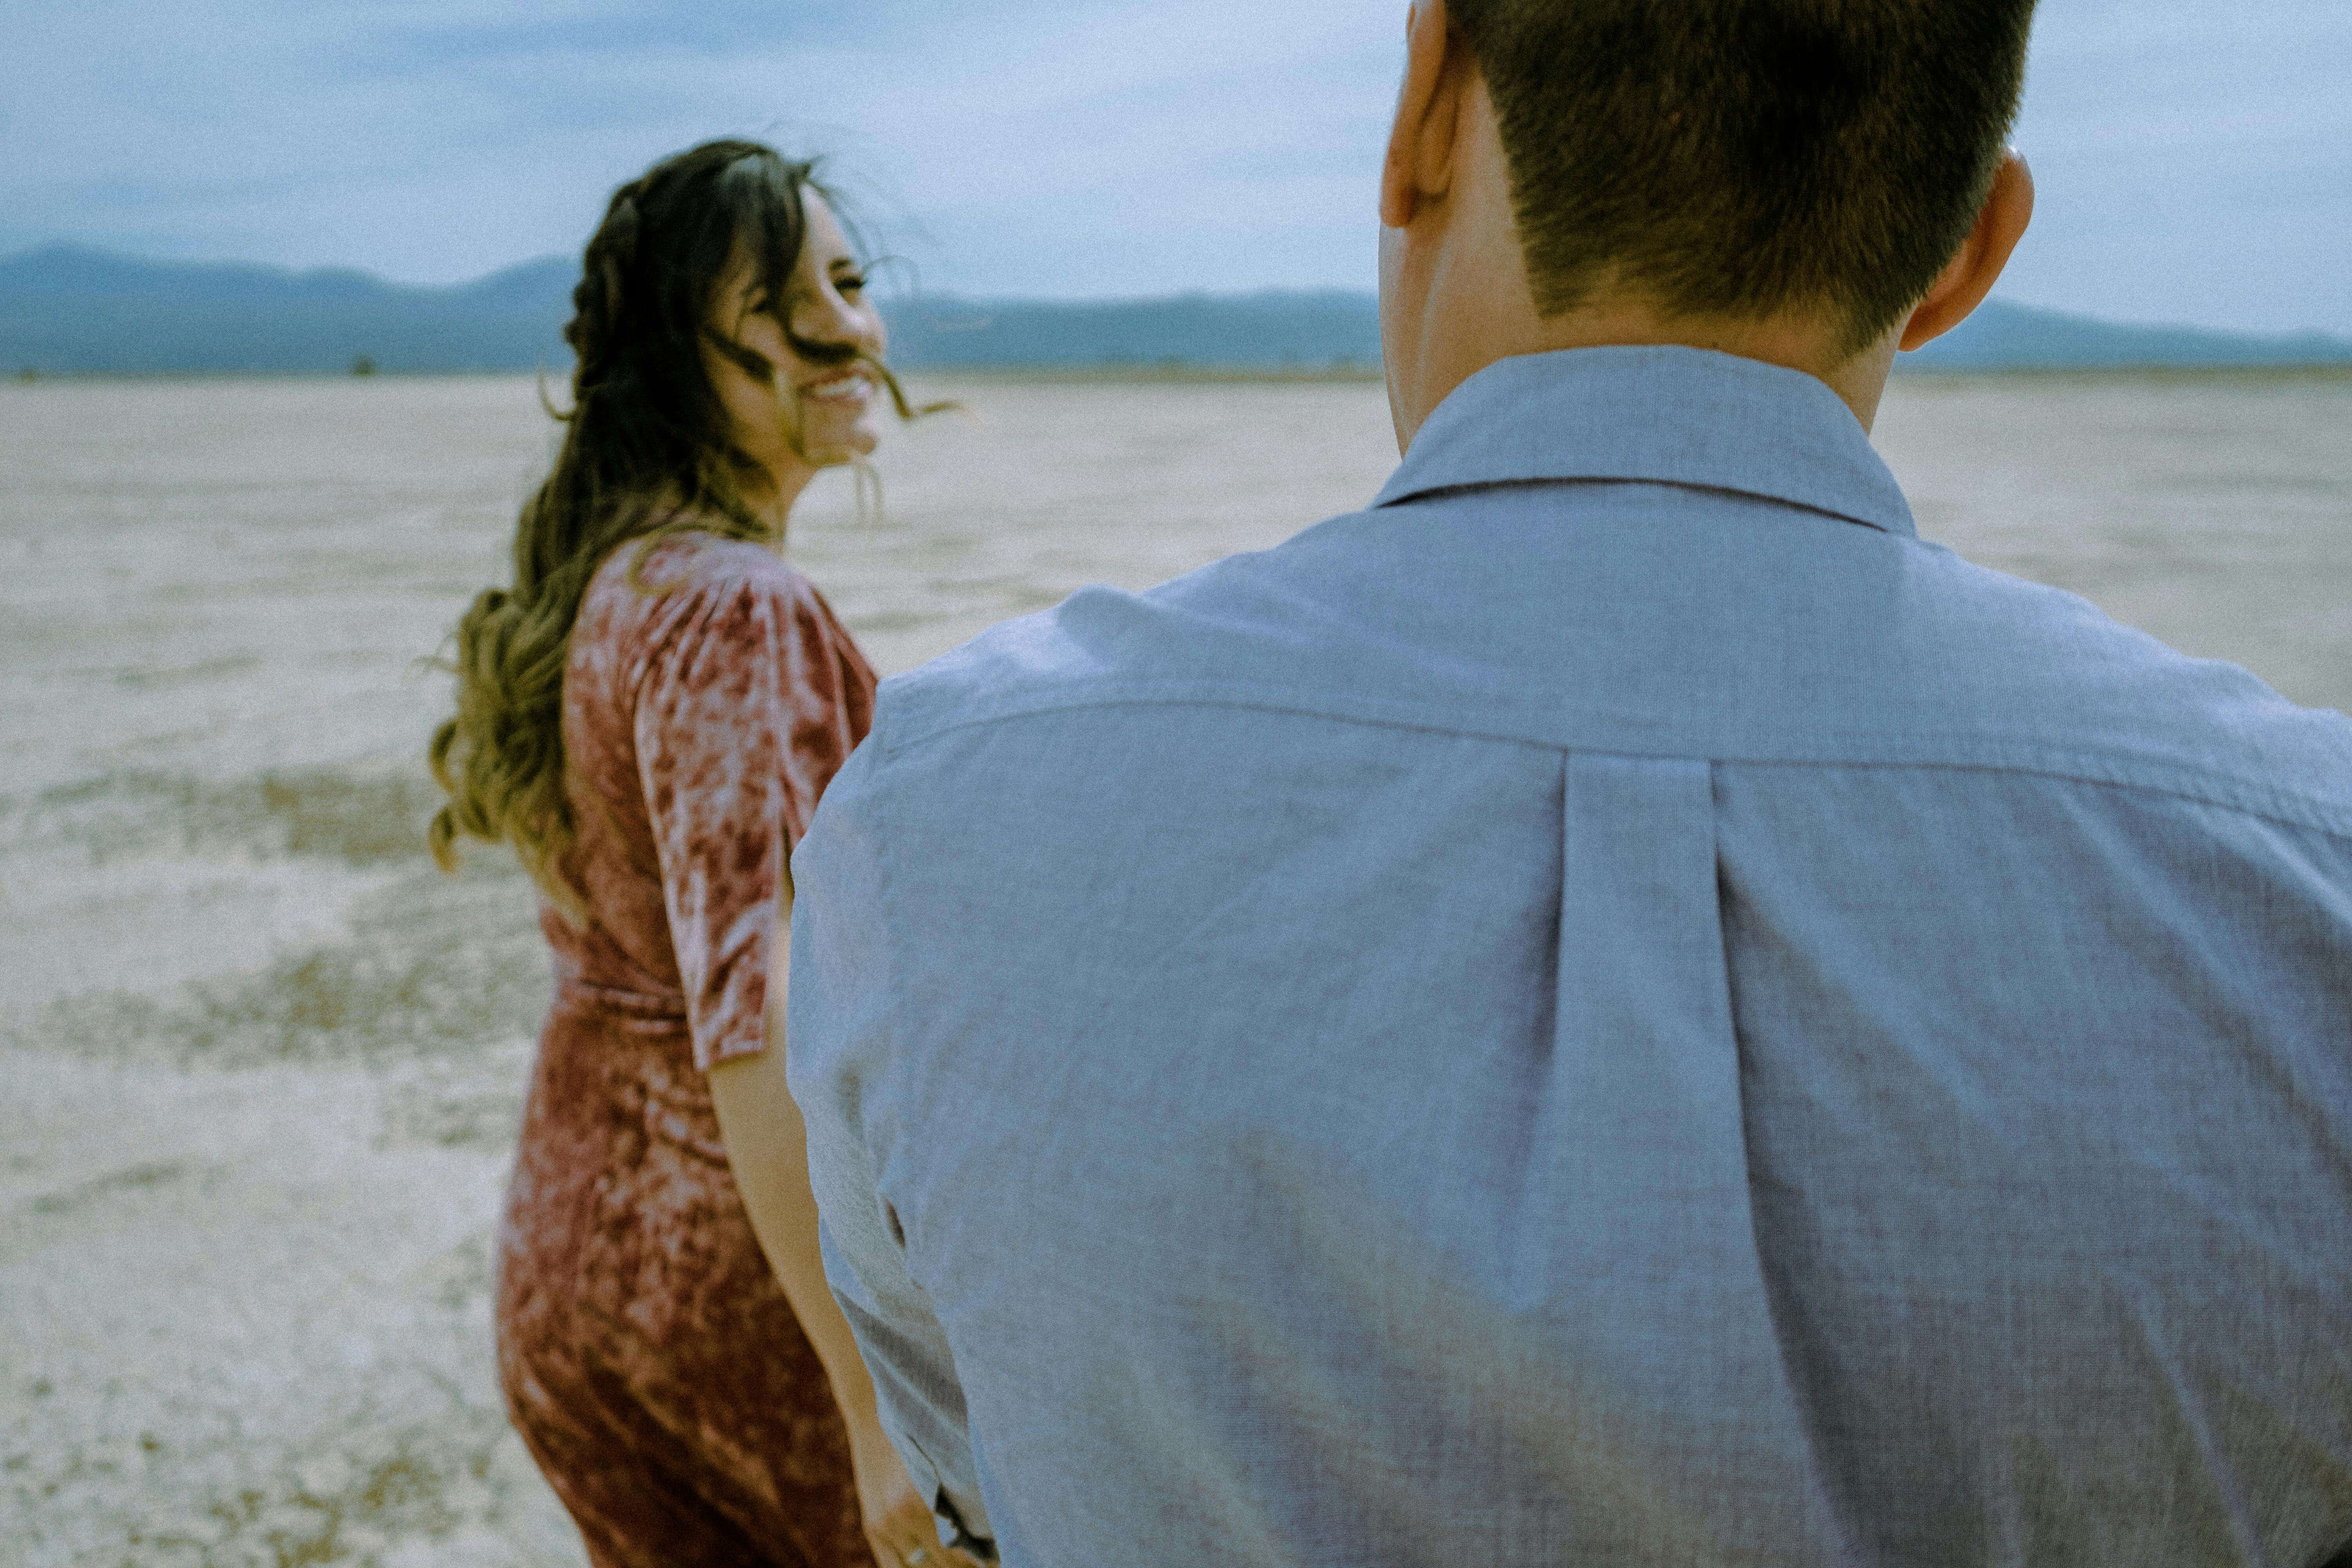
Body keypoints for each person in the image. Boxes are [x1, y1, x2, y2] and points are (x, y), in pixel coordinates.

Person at [780, 2, 2352, 1564]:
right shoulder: (2305, 881)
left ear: (1423, 112)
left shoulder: (946, 819)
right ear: (1965, 249)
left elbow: (980, 1462)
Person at [428, 140, 965, 1568]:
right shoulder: (737, 609)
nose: (849, 326)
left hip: (566, 1267)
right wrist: (872, 1406)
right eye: (791, 303)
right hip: (737, 1300)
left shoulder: (616, 581)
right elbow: (760, 1008)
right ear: (682, 355)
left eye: (853, 281)